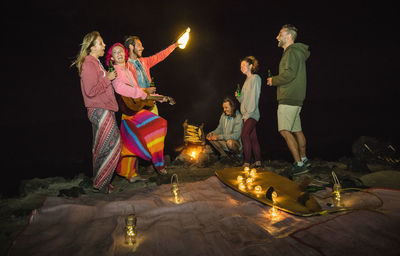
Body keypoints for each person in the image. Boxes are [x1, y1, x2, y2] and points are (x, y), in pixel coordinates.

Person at [106, 43, 170, 182]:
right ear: (111, 58)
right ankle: (158, 163)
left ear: (125, 54)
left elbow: (139, 89)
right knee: (159, 123)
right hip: (130, 113)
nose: (119, 54)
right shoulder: (115, 70)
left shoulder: (128, 70)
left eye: (121, 51)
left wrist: (158, 97)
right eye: (115, 52)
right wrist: (142, 94)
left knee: (131, 143)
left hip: (131, 112)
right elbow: (120, 88)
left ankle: (131, 174)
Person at [71, 31, 121, 193]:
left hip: (105, 108)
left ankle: (102, 183)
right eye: (101, 43)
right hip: (99, 110)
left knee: (101, 146)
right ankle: (101, 181)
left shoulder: (96, 62)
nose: (104, 45)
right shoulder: (88, 63)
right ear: (92, 47)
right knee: (113, 144)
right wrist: (108, 78)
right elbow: (91, 91)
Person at [267, 24, 311, 175]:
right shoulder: (298, 52)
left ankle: (299, 164)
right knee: (297, 130)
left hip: (288, 96)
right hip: (297, 97)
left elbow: (289, 75)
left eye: (280, 34)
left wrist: (273, 80)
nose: (277, 37)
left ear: (289, 36)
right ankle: (304, 159)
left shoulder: (291, 52)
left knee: (284, 130)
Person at [123, 36, 179, 115]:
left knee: (159, 126)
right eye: (139, 45)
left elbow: (159, 56)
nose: (142, 48)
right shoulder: (125, 66)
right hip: (136, 108)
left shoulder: (144, 62)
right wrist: (145, 90)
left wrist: (174, 45)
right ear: (131, 47)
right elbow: (128, 89)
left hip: (151, 105)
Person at [235, 56, 262, 168]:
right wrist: (238, 97)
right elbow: (243, 100)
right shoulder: (246, 81)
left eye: (244, 65)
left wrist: (248, 114)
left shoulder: (255, 78)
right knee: (252, 138)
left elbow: (254, 97)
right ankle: (258, 162)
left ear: (251, 66)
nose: (241, 67)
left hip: (251, 113)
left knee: (244, 135)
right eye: (241, 66)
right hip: (246, 114)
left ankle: (246, 162)